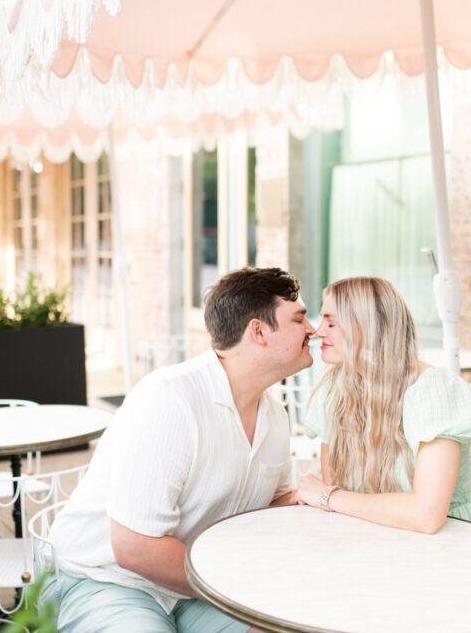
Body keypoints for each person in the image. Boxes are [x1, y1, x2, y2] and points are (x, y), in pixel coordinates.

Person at [42, 267, 315, 633]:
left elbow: (270, 508)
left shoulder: (274, 414)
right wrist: (241, 584)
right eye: (299, 318)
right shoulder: (171, 399)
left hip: (195, 588)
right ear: (259, 331)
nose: (312, 329)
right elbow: (134, 548)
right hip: (106, 580)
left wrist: (319, 495)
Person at [295, 276, 471, 533]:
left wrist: (327, 497)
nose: (318, 330)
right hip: (372, 535)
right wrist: (331, 496)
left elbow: (427, 516)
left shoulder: (434, 391)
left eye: (331, 322)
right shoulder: (335, 390)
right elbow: (338, 492)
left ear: (367, 328)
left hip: (451, 541)